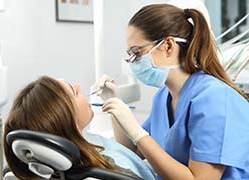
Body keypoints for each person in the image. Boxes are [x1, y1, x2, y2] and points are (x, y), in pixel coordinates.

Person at [92, 4, 249, 180]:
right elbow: (134, 151)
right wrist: (114, 104)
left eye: (137, 52)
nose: (132, 62)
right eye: (130, 54)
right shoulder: (163, 97)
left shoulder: (214, 99)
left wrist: (137, 132)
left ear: (168, 45)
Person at [3, 76, 157, 180]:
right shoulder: (107, 170)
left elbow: (122, 151)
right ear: (69, 120)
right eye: (74, 92)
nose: (78, 86)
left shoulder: (79, 148)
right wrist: (138, 134)